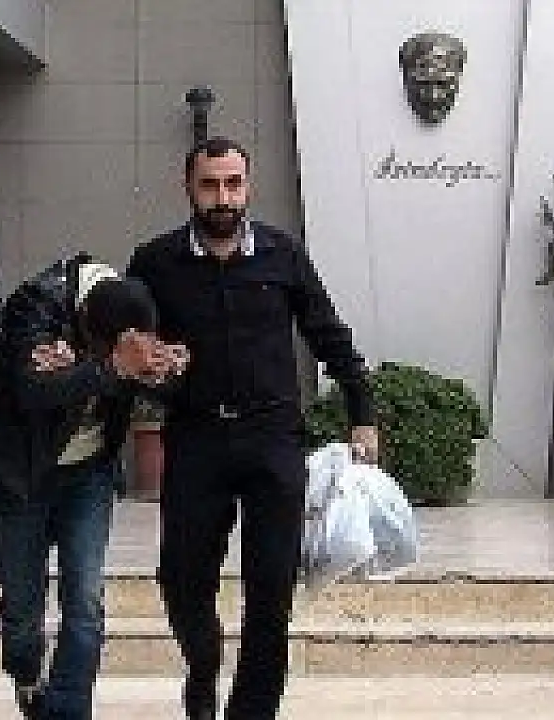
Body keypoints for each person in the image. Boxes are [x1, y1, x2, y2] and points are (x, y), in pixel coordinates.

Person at [126, 136, 379, 720]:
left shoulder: (283, 254)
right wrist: (152, 367)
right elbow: (129, 347)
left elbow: (328, 335)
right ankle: (203, 665)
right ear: (188, 188)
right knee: (181, 580)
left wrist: (362, 414)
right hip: (196, 439)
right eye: (210, 185)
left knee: (271, 594)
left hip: (273, 440)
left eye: (233, 184)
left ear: (248, 186)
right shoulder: (155, 262)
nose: (223, 198)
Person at [0, 256, 184, 719]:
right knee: (22, 609)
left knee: (85, 600)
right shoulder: (36, 304)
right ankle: (27, 676)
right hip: (23, 474)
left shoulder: (136, 307)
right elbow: (31, 392)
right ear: (81, 316)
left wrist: (165, 372)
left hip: (89, 474)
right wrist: (109, 369)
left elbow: (160, 390)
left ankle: (68, 708)